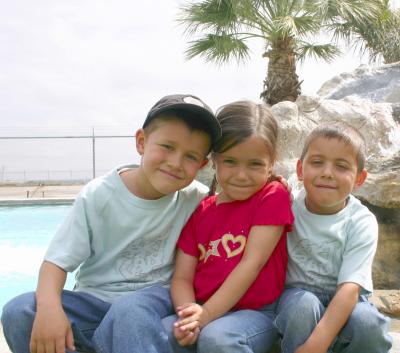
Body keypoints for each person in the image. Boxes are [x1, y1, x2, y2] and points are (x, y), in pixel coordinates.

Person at [1, 93, 222, 353]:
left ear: (203, 164)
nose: (175, 163)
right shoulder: (99, 194)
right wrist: (50, 309)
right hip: (93, 301)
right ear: (141, 142)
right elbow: (56, 262)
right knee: (19, 311)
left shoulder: (195, 198)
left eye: (191, 157)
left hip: (153, 300)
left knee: (129, 311)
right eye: (167, 147)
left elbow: (240, 206)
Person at [162, 100, 294, 353]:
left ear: (272, 161)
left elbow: (251, 264)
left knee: (217, 339)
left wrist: (207, 314)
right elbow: (181, 277)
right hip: (201, 307)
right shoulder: (202, 211)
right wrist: (189, 315)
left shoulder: (272, 195)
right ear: (214, 160)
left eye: (255, 164)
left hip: (256, 314)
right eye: (230, 162)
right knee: (160, 332)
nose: (242, 175)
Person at [274, 122, 393, 353]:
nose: (327, 173)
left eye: (341, 166)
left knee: (368, 323)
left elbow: (350, 289)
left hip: (348, 299)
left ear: (359, 178)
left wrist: (316, 346)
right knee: (303, 306)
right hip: (297, 295)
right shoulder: (288, 204)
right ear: (300, 170)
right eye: (317, 162)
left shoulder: (361, 221)